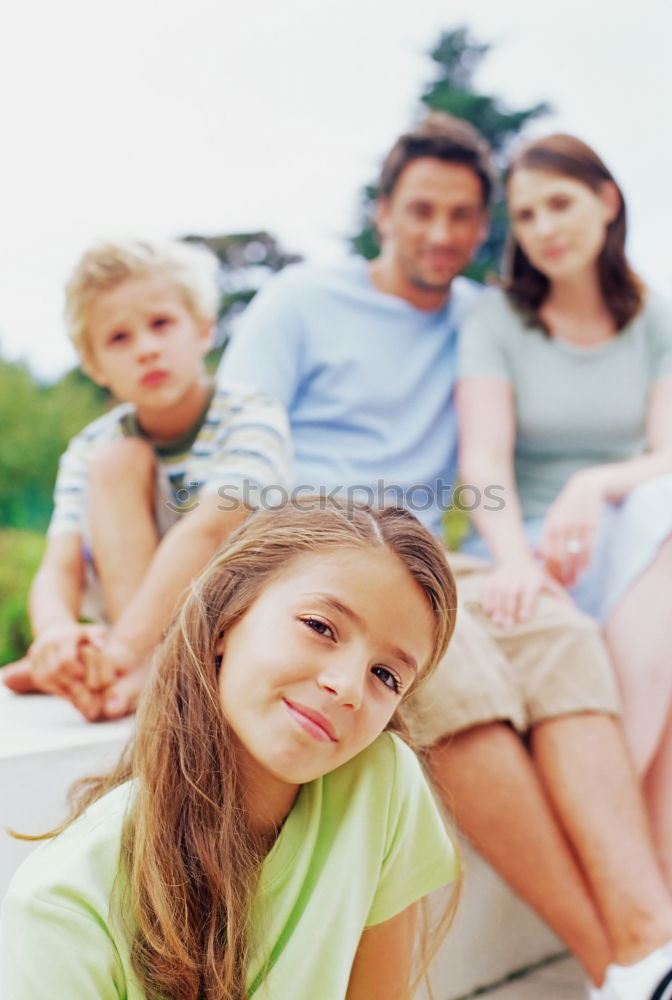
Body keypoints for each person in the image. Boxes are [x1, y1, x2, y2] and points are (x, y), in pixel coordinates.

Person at [217, 113, 672, 998]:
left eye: (464, 216)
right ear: (382, 211)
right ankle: (617, 965)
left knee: (554, 631)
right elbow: (233, 456)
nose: (442, 234)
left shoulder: (481, 315)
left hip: (425, 553)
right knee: (444, 662)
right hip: (312, 546)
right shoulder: (302, 300)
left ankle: (652, 936)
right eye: (422, 210)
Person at [1, 498, 458, 1000]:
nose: (348, 686)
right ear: (225, 620)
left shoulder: (381, 786)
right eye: (320, 627)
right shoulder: (66, 902)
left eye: (386, 676)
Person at [456, 132, 672, 877]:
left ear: (607, 202)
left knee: (660, 511)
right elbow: (482, 461)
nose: (544, 228)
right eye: (525, 214)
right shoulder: (498, 322)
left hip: (639, 535)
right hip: (536, 545)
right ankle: (633, 865)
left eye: (560, 203)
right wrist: (514, 558)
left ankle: (642, 879)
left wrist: (595, 483)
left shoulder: (655, 318)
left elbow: (667, 455)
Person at [1, 238, 292, 721]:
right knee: (118, 461)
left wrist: (121, 653)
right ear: (95, 366)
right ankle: (92, 665)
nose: (147, 349)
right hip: (132, 630)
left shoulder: (251, 413)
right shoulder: (92, 447)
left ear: (201, 329)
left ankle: (127, 666)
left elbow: (209, 530)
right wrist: (54, 632)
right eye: (119, 338)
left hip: (230, 615)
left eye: (161, 324)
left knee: (187, 509)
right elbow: (61, 564)